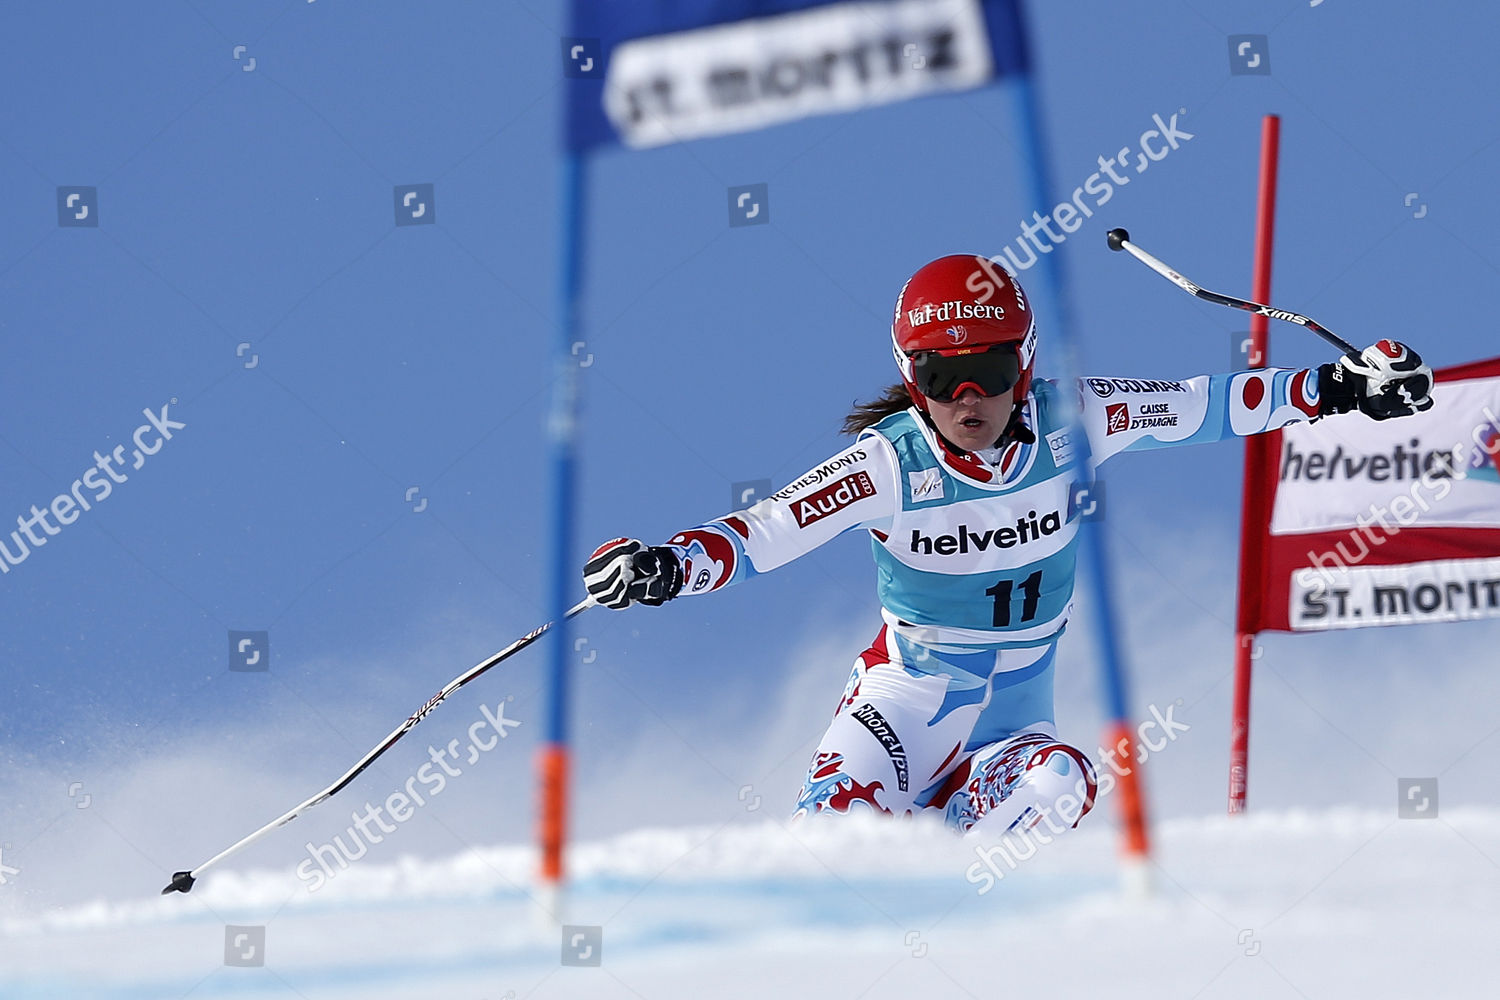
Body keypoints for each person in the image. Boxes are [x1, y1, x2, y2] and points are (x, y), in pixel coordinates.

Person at [581, 254, 1434, 840]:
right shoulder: (891, 464)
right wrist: (668, 566)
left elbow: (1211, 404)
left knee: (1063, 784)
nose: (965, 398)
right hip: (901, 710)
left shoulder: (1077, 419)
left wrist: (1340, 387)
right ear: (909, 375)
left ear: (1023, 365)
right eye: (937, 376)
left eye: (986, 371)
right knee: (840, 842)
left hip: (1010, 734)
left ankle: (950, 927)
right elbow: (764, 532)